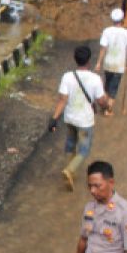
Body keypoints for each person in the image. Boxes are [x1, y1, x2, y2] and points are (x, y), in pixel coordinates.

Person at [47, 45, 108, 191]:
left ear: (75, 59)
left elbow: (62, 99)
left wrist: (54, 119)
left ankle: (71, 175)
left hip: (69, 118)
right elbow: (101, 101)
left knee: (70, 144)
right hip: (85, 121)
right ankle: (70, 170)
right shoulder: (95, 79)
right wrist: (105, 105)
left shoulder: (67, 77)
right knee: (84, 150)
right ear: (89, 61)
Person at [95, 8, 127, 115]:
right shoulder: (126, 33)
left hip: (107, 63)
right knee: (114, 88)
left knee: (107, 86)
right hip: (119, 65)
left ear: (112, 19)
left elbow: (103, 48)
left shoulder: (106, 31)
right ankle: (108, 109)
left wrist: (99, 62)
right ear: (122, 19)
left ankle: (104, 105)